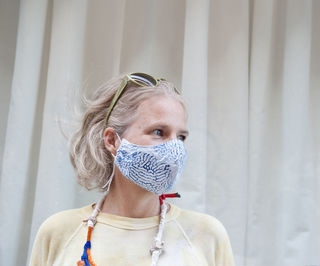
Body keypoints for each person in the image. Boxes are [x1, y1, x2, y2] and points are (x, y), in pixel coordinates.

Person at [29, 72, 235, 265]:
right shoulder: (58, 231)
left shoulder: (206, 235)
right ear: (112, 141)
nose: (175, 148)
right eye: (158, 132)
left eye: (181, 137)